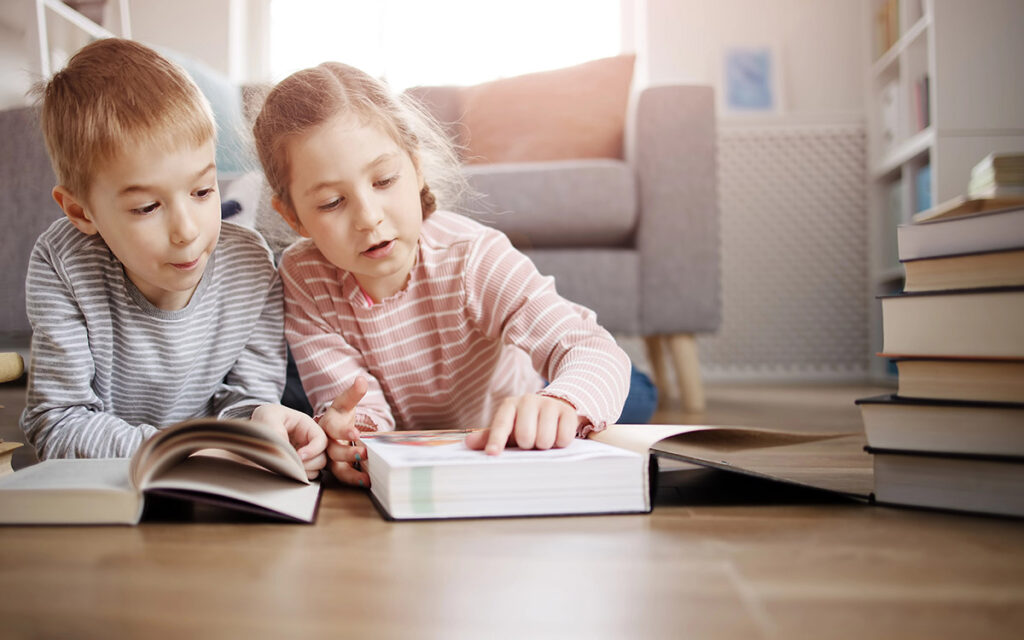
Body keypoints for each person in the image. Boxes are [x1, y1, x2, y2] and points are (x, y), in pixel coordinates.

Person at [252, 61, 634, 487]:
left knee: (626, 399)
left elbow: (591, 348)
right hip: (420, 446)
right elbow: (357, 411)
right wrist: (352, 436)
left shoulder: (472, 256)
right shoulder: (303, 276)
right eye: (331, 203)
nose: (368, 218)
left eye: (384, 180)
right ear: (293, 217)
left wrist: (563, 400)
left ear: (416, 169)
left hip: (505, 422)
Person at [20, 38, 326, 478]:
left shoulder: (250, 267)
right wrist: (193, 453)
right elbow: (57, 424)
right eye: (147, 207)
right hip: (104, 490)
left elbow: (247, 399)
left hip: (208, 481)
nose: (187, 230)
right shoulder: (62, 263)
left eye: (202, 191)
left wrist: (264, 422)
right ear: (81, 212)